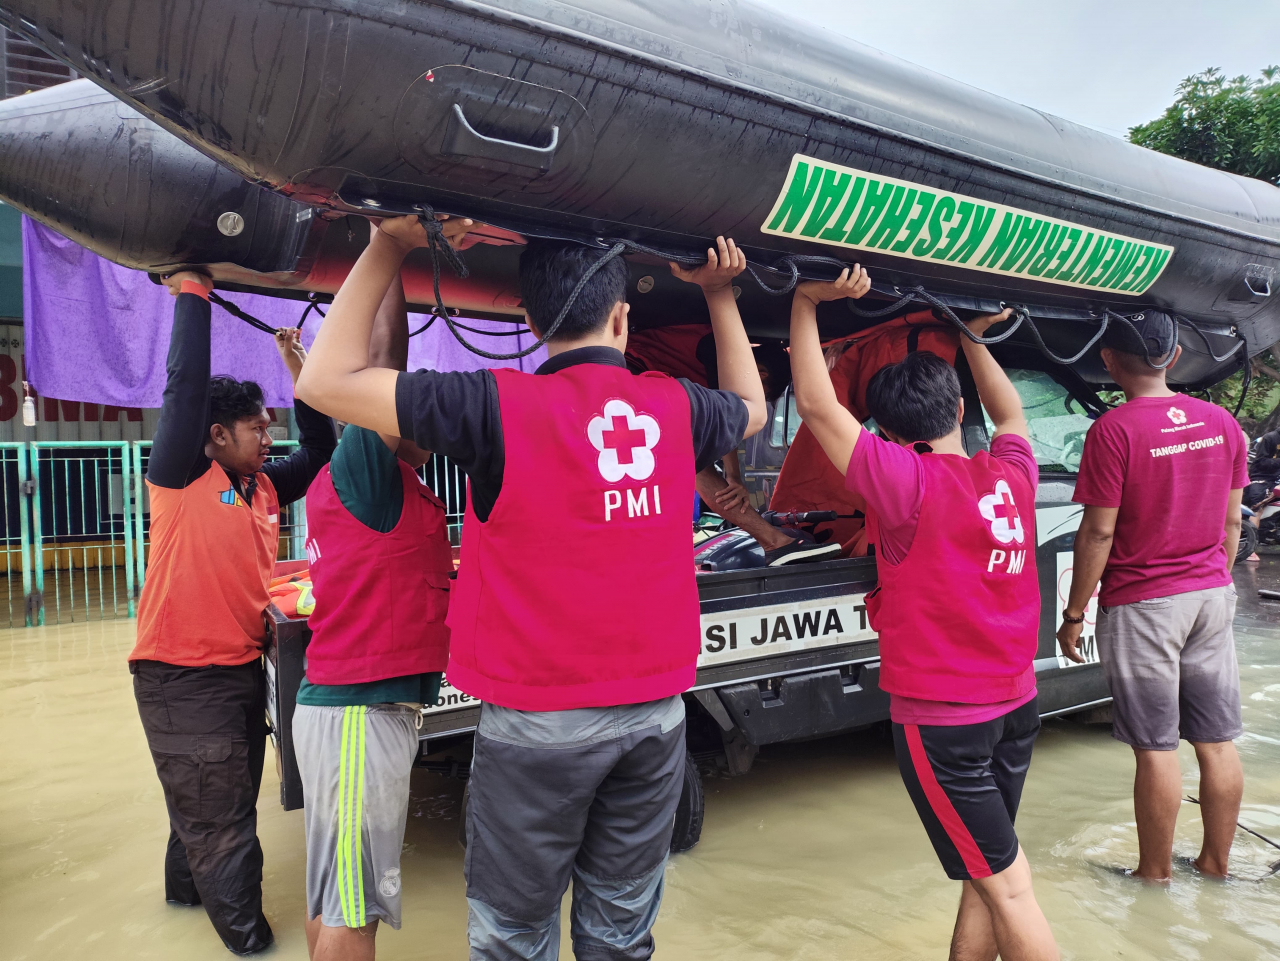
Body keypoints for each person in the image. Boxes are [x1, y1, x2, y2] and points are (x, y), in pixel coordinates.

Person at [296, 220, 765, 961]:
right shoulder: (675, 406)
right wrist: (720, 294)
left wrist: (389, 244)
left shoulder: (495, 406)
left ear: (529, 322)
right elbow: (754, 406)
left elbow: (323, 382)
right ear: (621, 317)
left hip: (538, 726)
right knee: (619, 935)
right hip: (657, 719)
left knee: (515, 940)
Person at [790, 268, 1058, 961]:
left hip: (947, 724)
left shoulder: (906, 484)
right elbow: (1014, 417)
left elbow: (819, 409)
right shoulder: (1012, 474)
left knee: (1010, 887)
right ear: (959, 410)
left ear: (884, 430)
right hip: (1016, 706)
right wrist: (970, 336)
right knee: (987, 874)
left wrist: (805, 300)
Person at [130, 271, 337, 955]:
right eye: (256, 426)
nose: (267, 433)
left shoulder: (261, 487)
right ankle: (253, 944)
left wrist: (300, 376)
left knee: (215, 802)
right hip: (182, 678)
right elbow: (182, 390)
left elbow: (325, 451)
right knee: (225, 824)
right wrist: (193, 292)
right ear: (213, 435)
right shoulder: (183, 474)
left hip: (237, 671)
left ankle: (186, 895)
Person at [294, 273, 453, 961]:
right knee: (354, 910)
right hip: (360, 715)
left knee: (334, 899)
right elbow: (383, 359)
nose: (417, 420)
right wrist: (389, 255)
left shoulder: (373, 482)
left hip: (351, 712)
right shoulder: (363, 473)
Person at [1058, 311, 1247, 882]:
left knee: (1156, 748)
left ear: (1109, 361)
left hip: (1145, 604)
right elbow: (1232, 522)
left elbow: (1098, 531)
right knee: (1216, 742)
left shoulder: (1113, 430)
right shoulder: (1221, 423)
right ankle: (1216, 865)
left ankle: (1154, 874)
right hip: (1212, 594)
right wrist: (1210, 576)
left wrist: (1074, 614)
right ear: (1174, 356)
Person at [629, 328, 837, 564]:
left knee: (694, 462)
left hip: (643, 382)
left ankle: (773, 542)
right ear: (761, 375)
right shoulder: (717, 351)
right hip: (631, 373)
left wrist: (732, 476)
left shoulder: (714, 359)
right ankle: (774, 542)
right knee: (696, 464)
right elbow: (725, 418)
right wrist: (733, 477)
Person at [1245, 426, 1280, 508]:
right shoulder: (1270, 438)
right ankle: (1253, 519)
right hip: (1262, 477)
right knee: (1257, 501)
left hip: (1277, 480)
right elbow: (1260, 462)